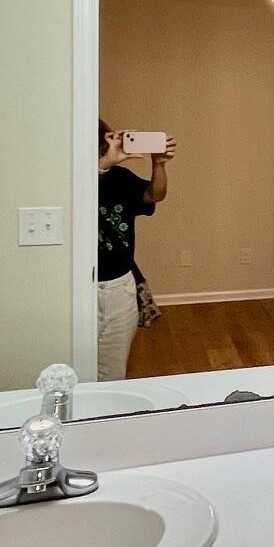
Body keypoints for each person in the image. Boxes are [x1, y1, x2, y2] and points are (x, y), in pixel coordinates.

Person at [97, 121, 175, 381]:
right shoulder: (67, 180)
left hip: (119, 286)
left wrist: (159, 164)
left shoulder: (120, 178)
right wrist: (102, 164)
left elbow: (155, 195)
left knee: (112, 370)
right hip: (76, 288)